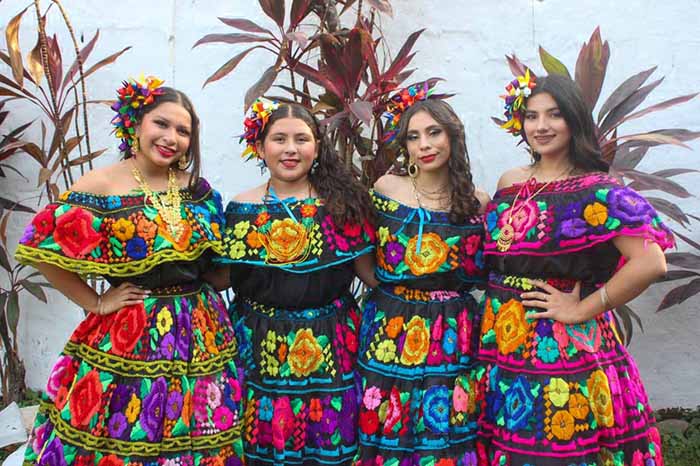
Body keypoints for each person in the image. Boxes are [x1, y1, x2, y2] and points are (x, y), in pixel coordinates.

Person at [15, 76, 244, 465]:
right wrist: (96, 302)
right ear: (135, 125)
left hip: (201, 329)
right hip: (131, 329)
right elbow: (42, 249)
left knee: (202, 423)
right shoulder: (102, 185)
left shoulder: (198, 190)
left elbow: (214, 266)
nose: (171, 137)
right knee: (125, 422)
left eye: (183, 131)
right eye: (161, 124)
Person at [475, 72, 673, 465]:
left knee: (556, 445)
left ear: (574, 120)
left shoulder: (596, 190)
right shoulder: (510, 182)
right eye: (532, 116)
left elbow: (651, 261)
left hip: (560, 344)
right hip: (502, 341)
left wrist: (582, 309)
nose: (541, 126)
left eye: (554, 114)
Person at [213, 99, 376, 465]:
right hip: (259, 345)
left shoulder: (343, 205)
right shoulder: (241, 209)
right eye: (279, 139)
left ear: (317, 147)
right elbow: (222, 276)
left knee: (329, 444)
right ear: (260, 147)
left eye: (301, 139)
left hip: (330, 345)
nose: (290, 149)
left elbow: (371, 275)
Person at [354, 82, 490, 466]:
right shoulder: (386, 188)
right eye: (414, 137)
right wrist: (389, 292)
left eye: (434, 133)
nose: (424, 145)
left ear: (452, 137)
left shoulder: (476, 201)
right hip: (391, 324)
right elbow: (361, 250)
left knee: (445, 418)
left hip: (452, 329)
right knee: (387, 415)